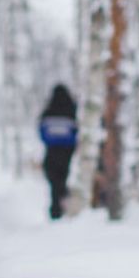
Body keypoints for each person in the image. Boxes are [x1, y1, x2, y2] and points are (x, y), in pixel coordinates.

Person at [38, 83, 78, 220]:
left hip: (51, 153)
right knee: (62, 180)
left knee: (55, 183)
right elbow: (76, 132)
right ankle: (62, 207)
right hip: (67, 154)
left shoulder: (48, 111)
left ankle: (56, 209)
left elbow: (41, 131)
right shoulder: (72, 110)